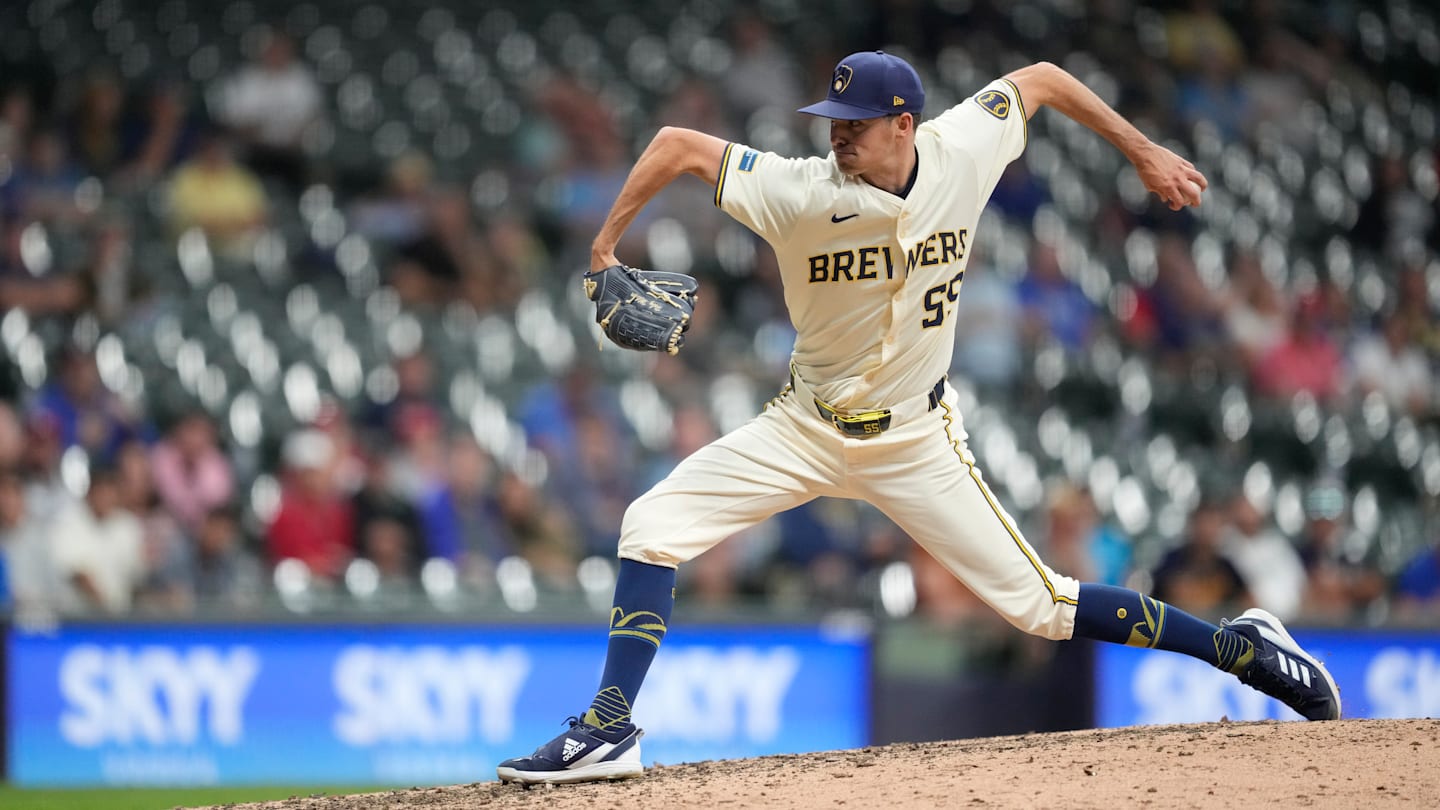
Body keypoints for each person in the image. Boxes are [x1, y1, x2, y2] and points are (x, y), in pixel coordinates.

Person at [497, 51, 1340, 785]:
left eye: (856, 123)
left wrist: (1142, 149)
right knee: (651, 525)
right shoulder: (797, 191)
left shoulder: (963, 148)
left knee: (1042, 607)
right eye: (833, 121)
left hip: (915, 439)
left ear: (904, 124)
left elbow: (1043, 79)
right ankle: (609, 726)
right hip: (803, 429)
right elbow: (676, 145)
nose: (837, 136)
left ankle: (1241, 648)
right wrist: (604, 250)